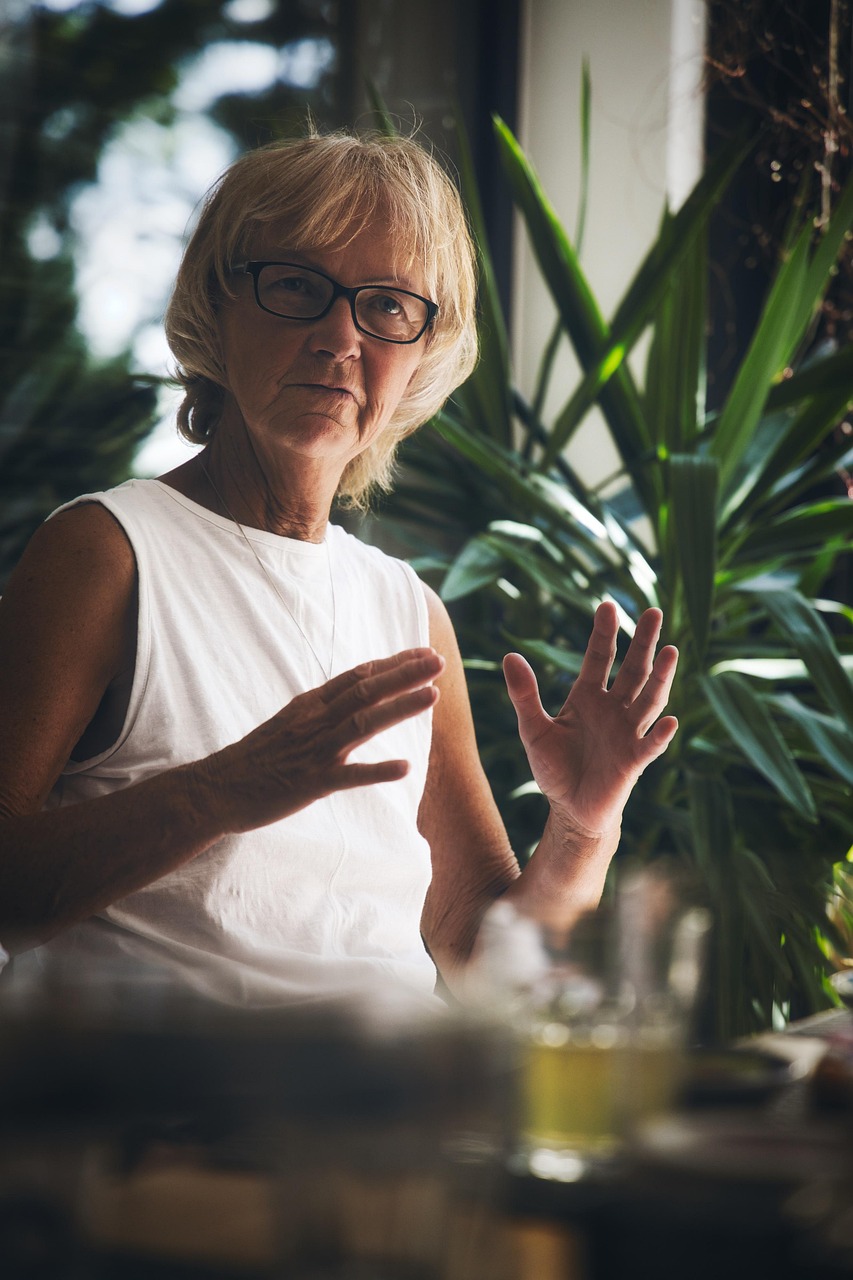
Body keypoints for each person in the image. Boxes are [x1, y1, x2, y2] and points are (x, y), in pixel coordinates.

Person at [0, 128, 679, 1008]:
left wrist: (583, 827)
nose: (338, 336)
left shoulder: (408, 610)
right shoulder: (107, 552)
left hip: (385, 1118)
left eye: (388, 305)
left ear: (424, 349)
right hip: (163, 1123)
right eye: (295, 286)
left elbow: (481, 954)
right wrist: (227, 787)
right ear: (220, 303)